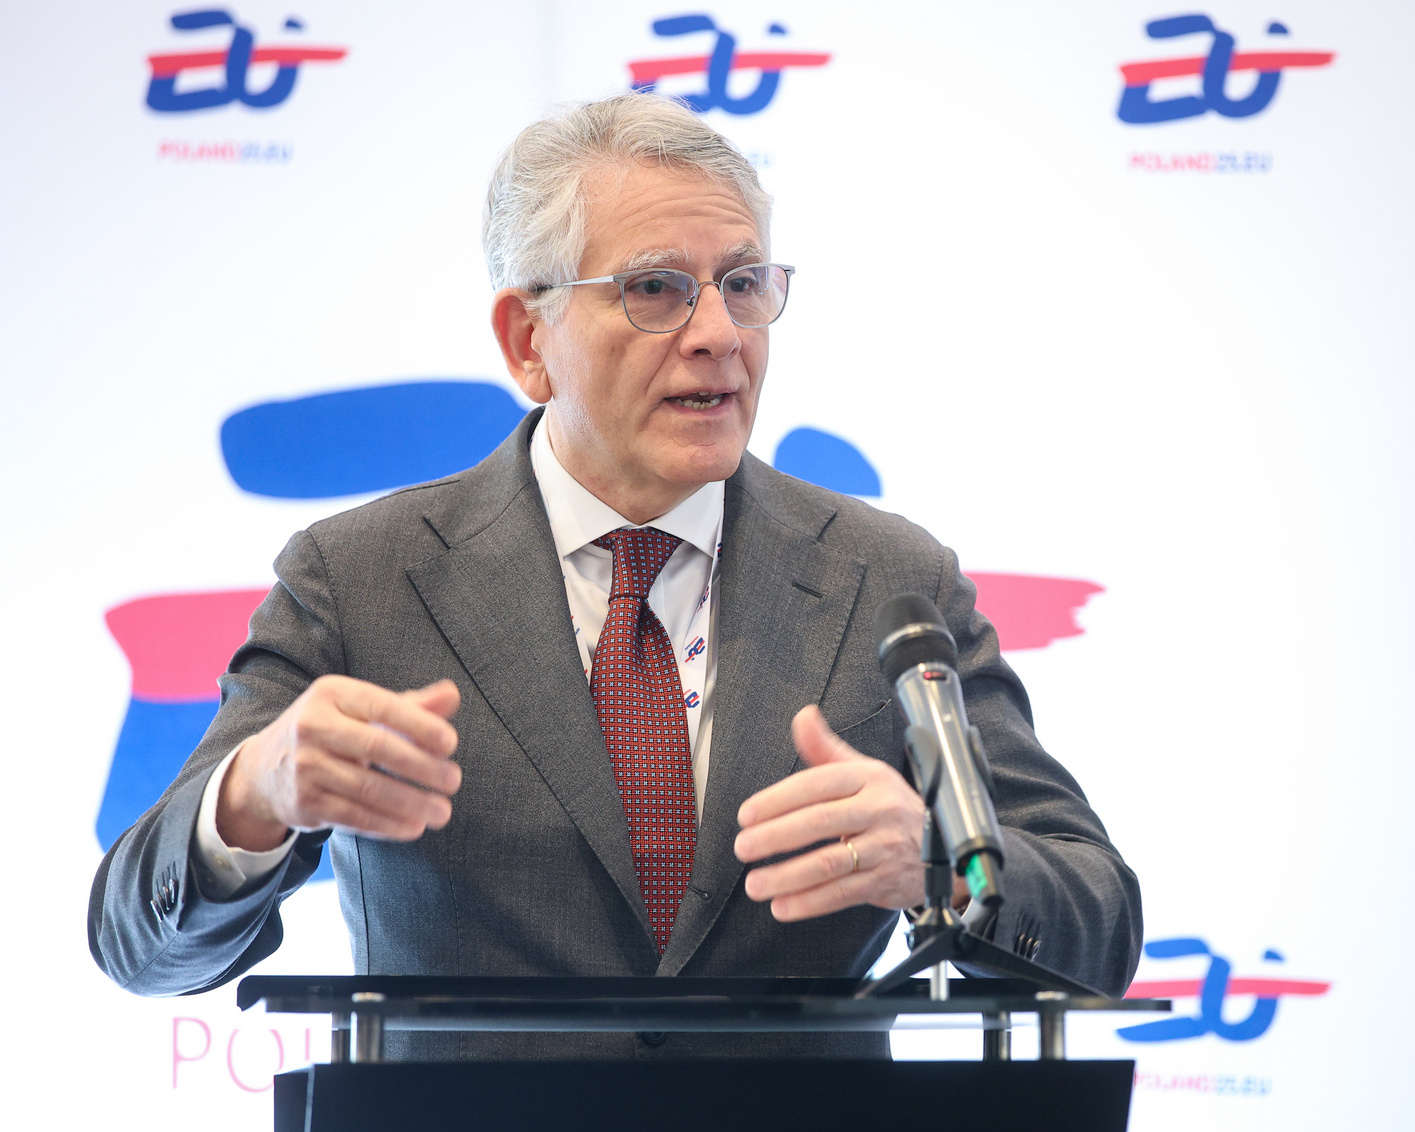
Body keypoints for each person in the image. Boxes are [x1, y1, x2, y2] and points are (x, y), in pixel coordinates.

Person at [88, 94, 1142, 1059]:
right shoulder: (362, 579)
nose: (719, 335)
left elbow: (1098, 925)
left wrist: (941, 865)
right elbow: (138, 941)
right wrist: (254, 795)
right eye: (655, 290)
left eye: (744, 285)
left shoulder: (890, 580)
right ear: (528, 340)